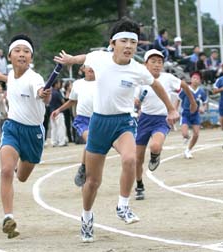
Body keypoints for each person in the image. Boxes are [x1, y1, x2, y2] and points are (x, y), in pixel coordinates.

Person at [54, 17, 179, 243]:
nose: (129, 46)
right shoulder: (100, 59)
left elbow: (157, 85)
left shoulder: (138, 70)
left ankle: (123, 205)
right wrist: (70, 60)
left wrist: (170, 109)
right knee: (93, 181)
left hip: (123, 122)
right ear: (113, 43)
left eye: (133, 42)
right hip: (99, 123)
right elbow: (84, 58)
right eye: (124, 41)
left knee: (131, 159)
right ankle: (87, 217)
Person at [0, 34, 51, 239]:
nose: (22, 54)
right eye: (18, 51)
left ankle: (19, 165)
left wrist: (42, 94)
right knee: (5, 171)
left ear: (31, 57)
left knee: (21, 176)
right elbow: (9, 79)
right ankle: (8, 217)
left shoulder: (35, 78)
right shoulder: (11, 75)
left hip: (33, 133)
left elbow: (40, 91)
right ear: (10, 56)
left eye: (26, 51)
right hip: (12, 128)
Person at [134, 49, 197, 200]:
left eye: (160, 62)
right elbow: (135, 100)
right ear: (145, 64)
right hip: (144, 120)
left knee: (155, 146)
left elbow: (184, 86)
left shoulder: (168, 78)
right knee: (137, 159)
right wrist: (136, 102)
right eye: (153, 62)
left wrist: (192, 102)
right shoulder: (140, 81)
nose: (156, 65)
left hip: (161, 119)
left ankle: (155, 156)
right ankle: (139, 184)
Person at [51, 65, 96, 187]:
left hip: (99, 120)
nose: (91, 68)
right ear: (83, 69)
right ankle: (83, 168)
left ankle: (88, 168)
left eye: (94, 65)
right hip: (82, 120)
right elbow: (71, 101)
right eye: (89, 66)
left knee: (95, 148)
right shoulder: (78, 84)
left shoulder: (102, 82)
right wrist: (59, 110)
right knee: (90, 140)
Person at [175, 71, 207, 159]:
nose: (195, 80)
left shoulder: (201, 92)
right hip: (185, 114)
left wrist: (203, 109)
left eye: (197, 78)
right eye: (194, 78)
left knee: (196, 134)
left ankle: (188, 150)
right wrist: (175, 110)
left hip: (195, 114)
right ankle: (186, 137)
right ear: (191, 79)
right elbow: (178, 99)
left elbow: (205, 103)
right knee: (185, 134)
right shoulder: (186, 89)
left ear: (200, 81)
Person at [49, 79, 67, 147]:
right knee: (61, 127)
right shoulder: (57, 92)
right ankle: (61, 141)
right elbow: (63, 101)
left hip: (51, 111)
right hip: (59, 112)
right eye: (59, 83)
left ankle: (54, 142)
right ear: (56, 84)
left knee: (54, 128)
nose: (60, 84)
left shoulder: (50, 92)